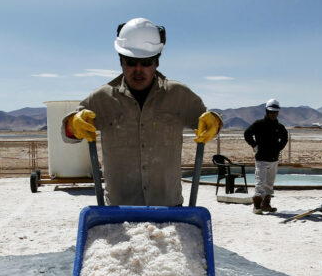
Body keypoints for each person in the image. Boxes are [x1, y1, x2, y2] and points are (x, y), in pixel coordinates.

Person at [61, 17, 222, 206]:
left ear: (157, 62)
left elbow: (208, 122)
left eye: (146, 62)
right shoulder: (102, 98)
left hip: (168, 207)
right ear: (121, 61)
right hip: (119, 210)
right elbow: (68, 135)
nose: (138, 70)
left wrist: (215, 123)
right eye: (131, 61)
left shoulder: (180, 95)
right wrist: (73, 124)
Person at [244, 99, 289, 214]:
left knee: (269, 184)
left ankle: (266, 204)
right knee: (260, 183)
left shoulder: (279, 127)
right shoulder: (259, 124)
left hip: (273, 159)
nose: (273, 114)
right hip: (261, 159)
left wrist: (278, 148)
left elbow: (285, 138)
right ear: (267, 111)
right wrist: (254, 145)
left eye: (275, 112)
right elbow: (247, 133)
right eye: (271, 112)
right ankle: (257, 206)